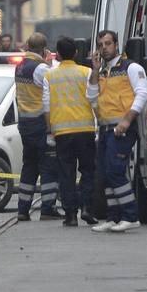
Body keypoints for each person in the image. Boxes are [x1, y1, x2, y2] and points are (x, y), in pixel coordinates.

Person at [87, 30, 147, 233]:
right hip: (105, 128)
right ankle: (113, 218)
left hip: (122, 128)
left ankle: (130, 216)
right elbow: (91, 96)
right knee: (105, 174)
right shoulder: (101, 71)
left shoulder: (131, 67)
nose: (104, 48)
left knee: (115, 169)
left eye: (108, 44)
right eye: (101, 45)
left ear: (116, 45)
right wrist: (95, 71)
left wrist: (127, 119)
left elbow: (142, 93)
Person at [49, 35, 99, 226]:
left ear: (58, 55)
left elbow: (46, 106)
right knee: (87, 170)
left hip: (62, 132)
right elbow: (94, 98)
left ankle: (70, 215)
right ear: (76, 53)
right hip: (85, 129)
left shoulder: (50, 76)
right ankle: (87, 208)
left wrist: (50, 130)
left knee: (66, 173)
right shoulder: (86, 73)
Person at [13, 33, 56, 221]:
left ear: (28, 46)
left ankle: (23, 209)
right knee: (48, 165)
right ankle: (47, 208)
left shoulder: (20, 66)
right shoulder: (41, 69)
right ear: (45, 48)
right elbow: (51, 88)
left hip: (24, 122)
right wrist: (48, 64)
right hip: (40, 122)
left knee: (29, 165)